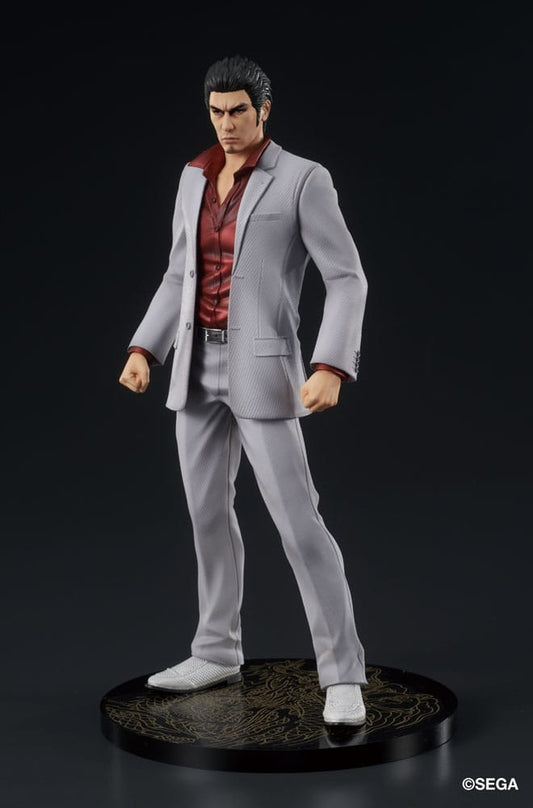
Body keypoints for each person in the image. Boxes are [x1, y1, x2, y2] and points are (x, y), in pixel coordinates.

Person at [119, 55, 368, 725]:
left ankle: (343, 672)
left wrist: (330, 364)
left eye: (237, 111)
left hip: (263, 368)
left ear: (263, 111)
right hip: (195, 366)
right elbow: (177, 274)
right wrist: (144, 348)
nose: (226, 124)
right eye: (215, 111)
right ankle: (216, 649)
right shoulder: (193, 176)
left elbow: (346, 278)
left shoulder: (303, 179)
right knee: (206, 514)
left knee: (298, 521)